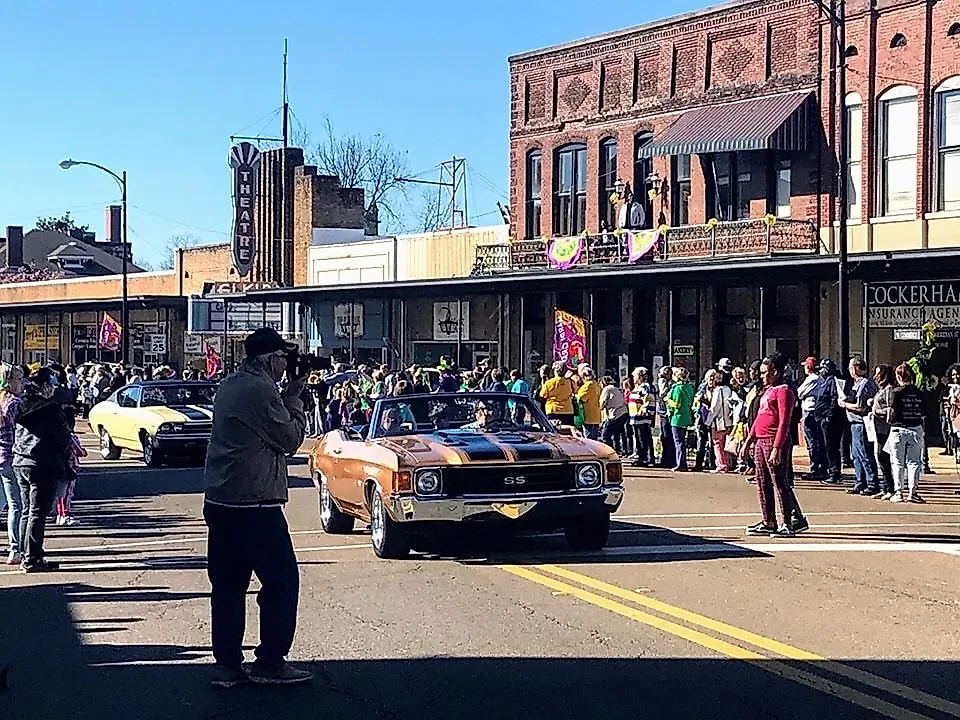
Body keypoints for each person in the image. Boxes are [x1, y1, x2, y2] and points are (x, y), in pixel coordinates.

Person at [203, 327, 311, 687]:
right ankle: (270, 660)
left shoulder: (232, 384)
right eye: (282, 357)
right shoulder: (262, 391)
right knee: (281, 581)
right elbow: (291, 438)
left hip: (221, 499)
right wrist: (294, 399)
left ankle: (227, 664)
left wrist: (285, 391)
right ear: (269, 359)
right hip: (255, 503)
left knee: (228, 585)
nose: (286, 364)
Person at [741, 353, 808, 537]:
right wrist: (748, 441)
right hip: (761, 440)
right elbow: (759, 418)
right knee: (762, 481)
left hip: (774, 440)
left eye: (765, 373)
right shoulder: (767, 390)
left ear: (775, 372)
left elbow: (785, 422)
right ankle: (768, 520)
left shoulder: (784, 390)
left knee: (779, 482)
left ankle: (787, 522)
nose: (761, 376)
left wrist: (777, 448)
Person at [14, 367, 72, 572]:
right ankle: (32, 558)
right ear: (45, 387)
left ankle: (26, 554)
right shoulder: (51, 409)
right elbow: (63, 438)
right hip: (42, 462)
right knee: (37, 512)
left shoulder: (21, 406)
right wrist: (66, 462)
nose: (54, 389)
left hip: (21, 460)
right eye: (52, 385)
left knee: (27, 510)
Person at [886, 363, 926, 504]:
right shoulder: (919, 393)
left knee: (897, 462)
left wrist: (889, 420)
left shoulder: (895, 392)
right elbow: (923, 414)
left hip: (898, 429)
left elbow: (890, 413)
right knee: (914, 462)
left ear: (898, 376)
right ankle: (912, 492)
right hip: (915, 428)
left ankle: (898, 492)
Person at [839, 356, 879, 496]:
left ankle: (872, 483)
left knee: (864, 454)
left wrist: (845, 405)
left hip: (861, 423)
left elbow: (861, 406)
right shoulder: (856, 384)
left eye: (851, 368)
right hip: (853, 423)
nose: (849, 370)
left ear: (856, 367)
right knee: (856, 455)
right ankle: (860, 481)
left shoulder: (865, 383)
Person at [0, 364, 24, 565]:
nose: (21, 383)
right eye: (18, 379)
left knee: (2, 503)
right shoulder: (13, 403)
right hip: (11, 457)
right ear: (9, 381)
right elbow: (22, 429)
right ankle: (15, 549)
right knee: (16, 505)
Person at [870, 364, 896, 500]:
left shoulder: (889, 389)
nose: (876, 377)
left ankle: (890, 488)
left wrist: (876, 411)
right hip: (877, 427)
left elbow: (890, 410)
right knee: (879, 456)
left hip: (885, 427)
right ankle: (885, 487)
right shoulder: (880, 389)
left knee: (883, 456)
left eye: (879, 374)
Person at [666, 367, 695, 472]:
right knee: (682, 441)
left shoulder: (678, 388)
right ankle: (682, 463)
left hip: (677, 418)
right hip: (686, 417)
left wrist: (668, 401)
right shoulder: (689, 387)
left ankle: (680, 464)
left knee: (678, 441)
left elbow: (676, 404)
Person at [600, 375, 629, 454]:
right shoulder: (617, 388)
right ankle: (620, 450)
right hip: (623, 412)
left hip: (614, 414)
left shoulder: (607, 389)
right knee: (618, 433)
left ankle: (608, 452)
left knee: (605, 435)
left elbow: (602, 403)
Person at [576, 366, 603, 440]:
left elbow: (580, 398)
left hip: (588, 416)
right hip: (596, 416)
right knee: (594, 439)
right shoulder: (596, 384)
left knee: (588, 439)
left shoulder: (588, 385)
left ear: (584, 376)